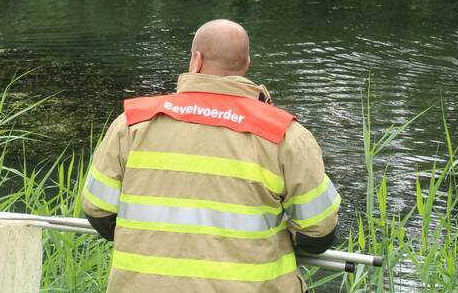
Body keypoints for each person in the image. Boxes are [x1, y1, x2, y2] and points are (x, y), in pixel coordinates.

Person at [81, 19, 340, 293]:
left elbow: (98, 210)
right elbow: (318, 231)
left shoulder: (133, 124)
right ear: (246, 65)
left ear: (196, 60)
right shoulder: (285, 135)